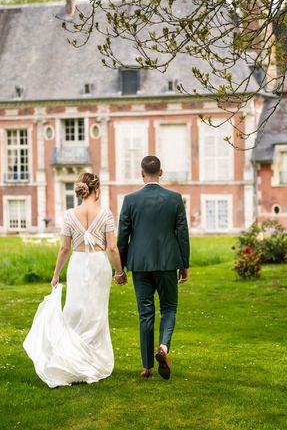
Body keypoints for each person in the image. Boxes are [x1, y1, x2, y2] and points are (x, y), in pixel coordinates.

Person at [23, 172, 126, 388]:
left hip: (78, 264)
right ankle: (91, 361)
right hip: (98, 264)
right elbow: (112, 247)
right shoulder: (105, 213)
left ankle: (71, 358)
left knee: (75, 309)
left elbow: (64, 248)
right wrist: (119, 271)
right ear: (96, 190)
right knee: (96, 313)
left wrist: (56, 273)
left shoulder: (70, 215)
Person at [118, 155, 190, 379]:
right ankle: (164, 348)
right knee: (169, 308)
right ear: (161, 172)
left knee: (145, 313)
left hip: (140, 264)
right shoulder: (175, 198)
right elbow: (182, 235)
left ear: (141, 173)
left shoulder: (130, 200)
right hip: (168, 263)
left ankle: (147, 366)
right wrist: (184, 264)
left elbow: (123, 237)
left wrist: (119, 268)